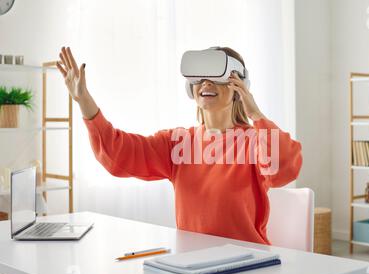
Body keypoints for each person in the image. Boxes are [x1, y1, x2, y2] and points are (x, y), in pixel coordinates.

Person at [56, 46, 302, 245]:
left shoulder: (255, 140)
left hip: (248, 263)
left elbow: (284, 169)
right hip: (194, 265)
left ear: (238, 87)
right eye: (199, 77)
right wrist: (84, 100)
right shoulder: (178, 143)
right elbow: (118, 154)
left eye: (215, 76)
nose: (206, 83)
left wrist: (256, 114)